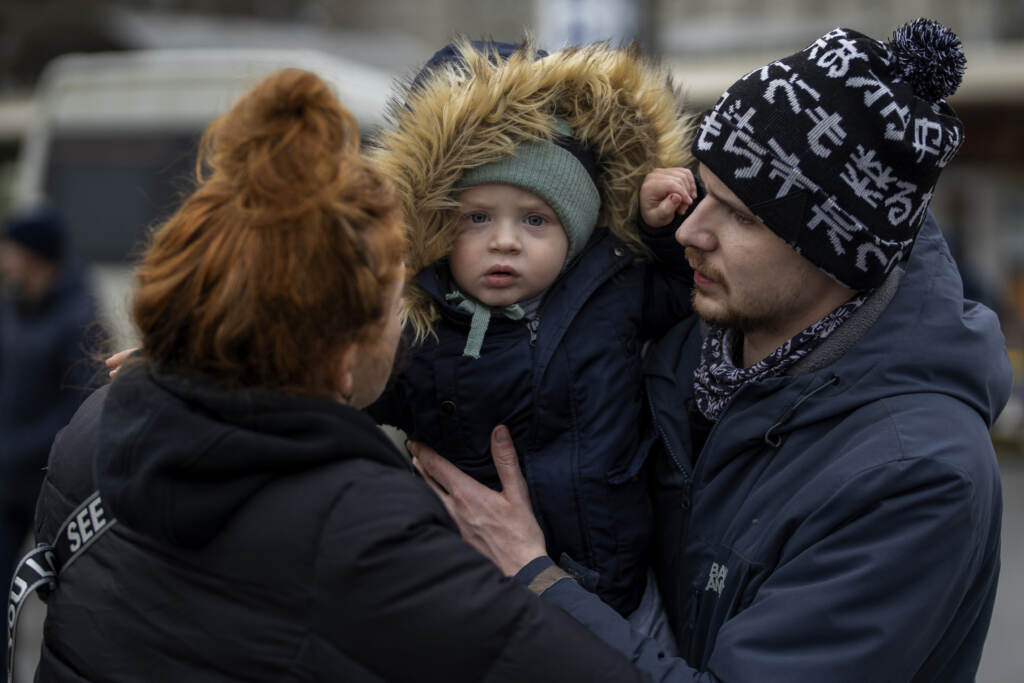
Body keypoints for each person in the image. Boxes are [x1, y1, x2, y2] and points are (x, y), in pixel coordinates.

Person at [413, 19, 1013, 682]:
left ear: (832, 252)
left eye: (741, 214)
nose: (692, 228)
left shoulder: (917, 473)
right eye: (702, 188)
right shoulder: (691, 349)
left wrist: (536, 577)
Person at [27, 69, 647, 682]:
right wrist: (534, 571)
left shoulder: (94, 427)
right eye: (391, 303)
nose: (406, 328)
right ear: (342, 348)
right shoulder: (367, 528)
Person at [366, 38, 697, 632]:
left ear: (576, 230)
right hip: (471, 595)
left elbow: (687, 294)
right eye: (477, 218)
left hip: (622, 594)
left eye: (536, 220)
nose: (505, 241)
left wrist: (664, 229)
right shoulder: (421, 323)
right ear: (436, 224)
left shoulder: (615, 286)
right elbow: (343, 389)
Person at [0, 204, 100, 594]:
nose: (4, 257)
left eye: (10, 247)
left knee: (60, 595)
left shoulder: (79, 316)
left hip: (51, 486)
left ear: (33, 255)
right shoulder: (14, 306)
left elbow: (82, 406)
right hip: (7, 484)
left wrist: (14, 447)